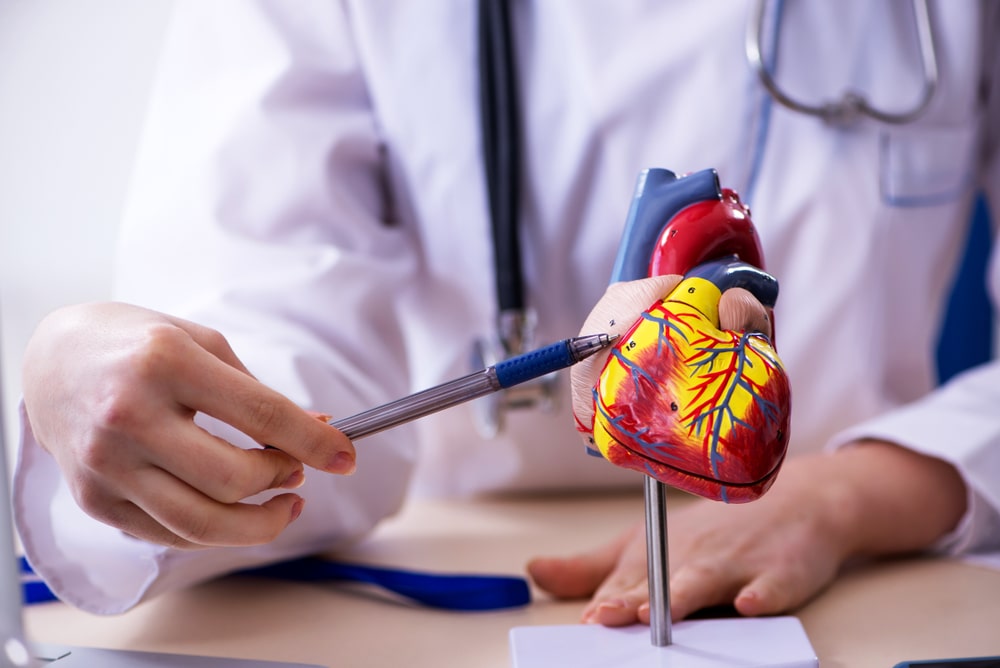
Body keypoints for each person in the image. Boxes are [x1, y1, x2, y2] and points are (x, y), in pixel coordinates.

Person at [15, 0, 1000, 626]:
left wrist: (855, 492)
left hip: (889, 571)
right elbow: (280, 335)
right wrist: (153, 410)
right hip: (456, 561)